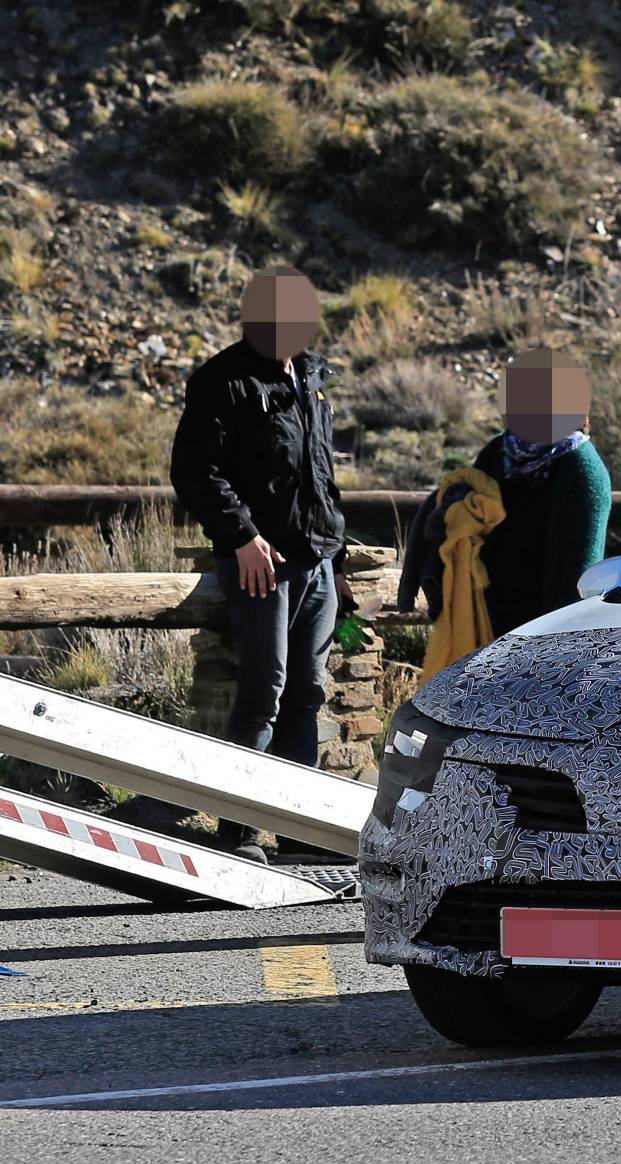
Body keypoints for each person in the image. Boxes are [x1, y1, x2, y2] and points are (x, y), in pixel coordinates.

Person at [170, 265, 350, 863]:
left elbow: (320, 474)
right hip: (262, 566)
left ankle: (302, 831)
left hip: (316, 562)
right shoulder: (223, 380)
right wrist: (242, 537)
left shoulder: (313, 375)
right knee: (263, 692)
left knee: (307, 694)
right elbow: (196, 471)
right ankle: (239, 831)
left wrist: (338, 557)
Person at [473, 346, 612, 635]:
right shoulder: (497, 453)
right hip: (486, 623)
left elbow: (579, 576)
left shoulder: (581, 468)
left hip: (543, 634)